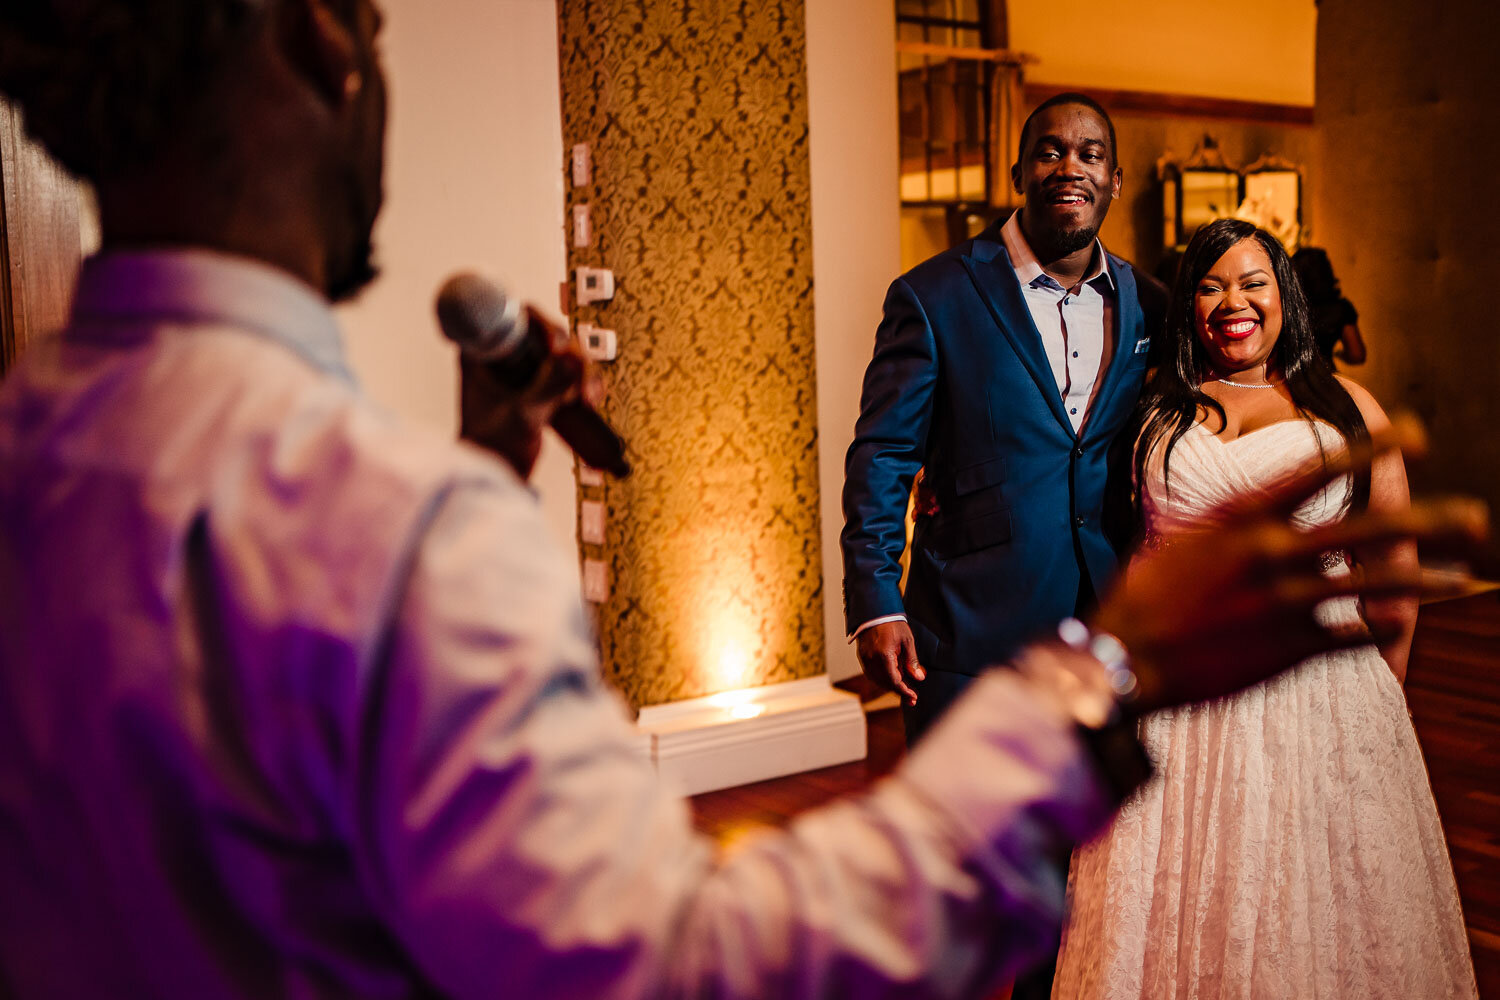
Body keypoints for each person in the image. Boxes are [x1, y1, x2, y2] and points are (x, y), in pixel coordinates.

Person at [0, 6, 1482, 998]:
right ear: (326, 42)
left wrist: (483, 471)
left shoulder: (36, 446)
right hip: (1003, 632)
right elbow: (695, 949)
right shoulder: (393, 535)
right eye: (383, 27)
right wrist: (1099, 671)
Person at [1051, 218, 1479, 999]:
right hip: (1178, 687)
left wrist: (1376, 708)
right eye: (1210, 287)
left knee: (1312, 900)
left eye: (1252, 283)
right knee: (1174, 896)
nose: (1232, 303)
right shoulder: (1156, 410)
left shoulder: (1347, 407)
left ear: (1284, 294)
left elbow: (1391, 574)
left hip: (1319, 688)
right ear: (1188, 307)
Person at [842, 92, 1167, 747]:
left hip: (1104, 630)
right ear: (1018, 174)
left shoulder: (1144, 303)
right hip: (970, 628)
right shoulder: (933, 296)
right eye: (1049, 152)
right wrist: (875, 599)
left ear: (1115, 180)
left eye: (1091, 154)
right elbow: (882, 454)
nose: (1070, 167)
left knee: (1089, 842)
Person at [1292, 245, 1367, 366]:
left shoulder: (1290, 309)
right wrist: (1339, 354)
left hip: (1292, 378)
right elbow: (1357, 355)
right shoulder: (1341, 309)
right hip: (1325, 376)